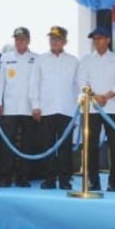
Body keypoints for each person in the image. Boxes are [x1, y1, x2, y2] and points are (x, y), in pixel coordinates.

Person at [77, 27, 115, 191]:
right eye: (94, 39)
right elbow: (82, 82)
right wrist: (96, 96)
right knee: (91, 145)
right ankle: (93, 180)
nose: (97, 41)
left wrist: (106, 96)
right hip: (91, 107)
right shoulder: (86, 60)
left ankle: (113, 181)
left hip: (112, 107)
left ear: (108, 40)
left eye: (100, 38)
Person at [32, 26, 79, 190]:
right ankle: (49, 179)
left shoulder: (73, 60)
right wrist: (35, 106)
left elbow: (77, 87)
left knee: (66, 147)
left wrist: (76, 112)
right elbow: (34, 83)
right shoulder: (41, 59)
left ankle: (65, 179)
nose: (54, 42)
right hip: (46, 109)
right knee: (48, 145)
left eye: (58, 39)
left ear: (65, 41)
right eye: (51, 39)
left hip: (67, 109)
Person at [0, 27, 39, 186]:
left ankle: (23, 177)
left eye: (22, 39)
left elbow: (37, 84)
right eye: (17, 39)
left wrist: (37, 105)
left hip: (29, 108)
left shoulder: (36, 58)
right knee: (7, 143)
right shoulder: (5, 58)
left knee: (27, 144)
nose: (19, 42)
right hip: (10, 107)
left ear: (28, 40)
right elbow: (0, 81)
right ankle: (5, 176)